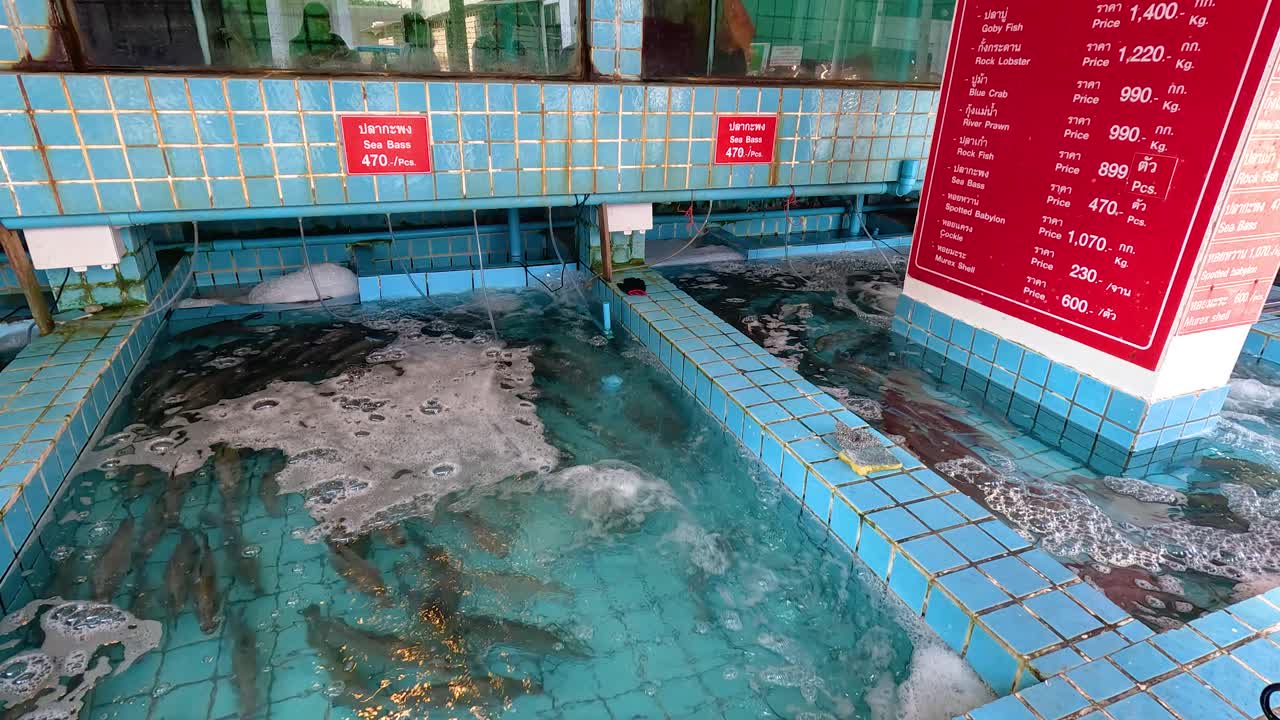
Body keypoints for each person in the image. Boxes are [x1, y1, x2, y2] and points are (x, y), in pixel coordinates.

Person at [289, 2, 355, 67]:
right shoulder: (296, 43)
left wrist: (352, 55)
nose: (321, 22)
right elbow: (297, 68)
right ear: (307, 22)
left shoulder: (336, 39)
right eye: (316, 19)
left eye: (324, 18)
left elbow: (350, 61)